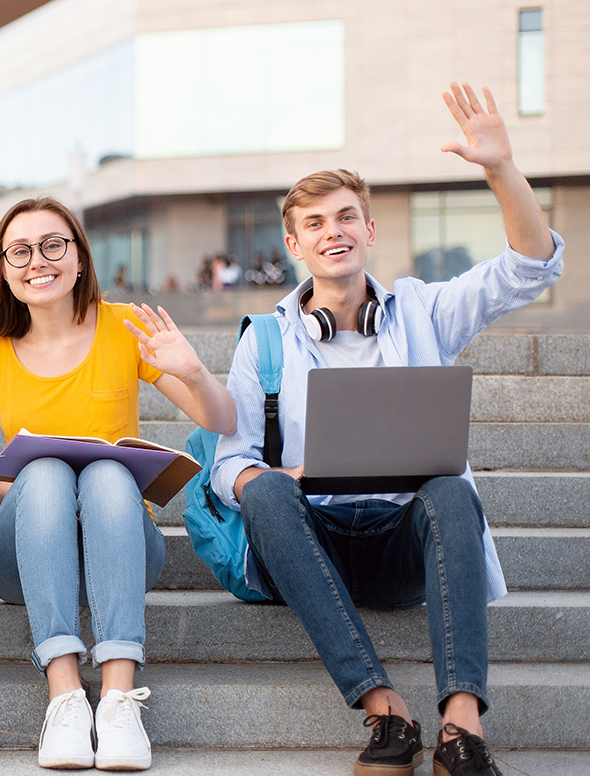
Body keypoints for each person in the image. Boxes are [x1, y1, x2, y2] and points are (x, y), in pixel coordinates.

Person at [211, 83, 563, 776]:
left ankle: (461, 728)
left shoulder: (425, 312)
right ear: (294, 245)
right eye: (314, 224)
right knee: (264, 494)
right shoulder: (265, 343)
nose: (332, 231)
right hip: (313, 544)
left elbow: (530, 267)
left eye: (346, 217)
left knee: (452, 489)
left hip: (406, 542)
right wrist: (277, 478)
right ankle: (386, 713)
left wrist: (500, 168)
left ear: (369, 231)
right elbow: (230, 463)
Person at [0, 198, 235, 771]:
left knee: (109, 471)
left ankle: (117, 699)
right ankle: (64, 696)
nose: (38, 260)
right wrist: (53, 495)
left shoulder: (122, 328)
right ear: (4, 269)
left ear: (81, 259)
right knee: (45, 472)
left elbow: (222, 422)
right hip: (17, 552)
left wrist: (191, 370)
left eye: (53, 244)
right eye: (20, 250)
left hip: (122, 547)